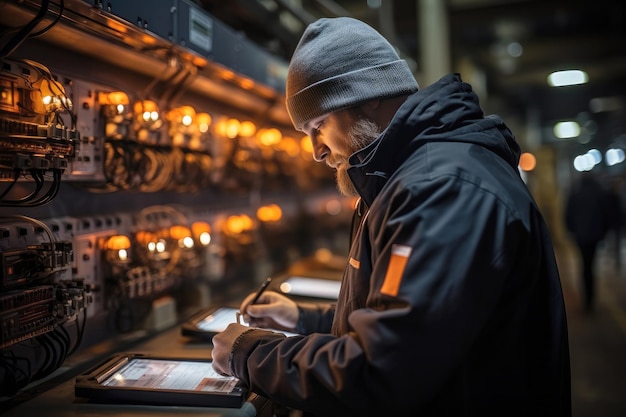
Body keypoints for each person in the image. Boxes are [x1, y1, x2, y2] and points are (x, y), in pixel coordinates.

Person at [212, 17, 571, 416]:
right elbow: (409, 316)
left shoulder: (441, 189)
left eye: (319, 125)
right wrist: (304, 317)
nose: (316, 151)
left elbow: (386, 369)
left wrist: (250, 353)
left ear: (368, 96)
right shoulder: (402, 177)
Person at [565, 173, 619, 313]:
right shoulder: (599, 193)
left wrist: (572, 231)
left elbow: (567, 215)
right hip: (594, 235)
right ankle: (591, 298)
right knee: (591, 264)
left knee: (585, 265)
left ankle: (587, 300)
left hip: (580, 237)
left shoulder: (575, 194)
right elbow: (606, 214)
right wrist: (604, 231)